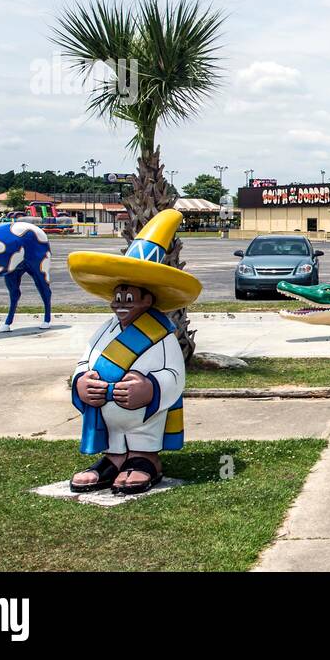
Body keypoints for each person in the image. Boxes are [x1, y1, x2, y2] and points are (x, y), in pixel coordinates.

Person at [65, 209, 202, 495]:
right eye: (117, 297)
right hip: (108, 412)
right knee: (114, 436)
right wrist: (81, 381)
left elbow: (174, 375)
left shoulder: (161, 336)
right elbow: (85, 359)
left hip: (144, 418)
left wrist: (150, 389)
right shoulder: (106, 329)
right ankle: (114, 457)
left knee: (144, 433)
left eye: (129, 298)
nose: (120, 304)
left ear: (147, 299)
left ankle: (145, 457)